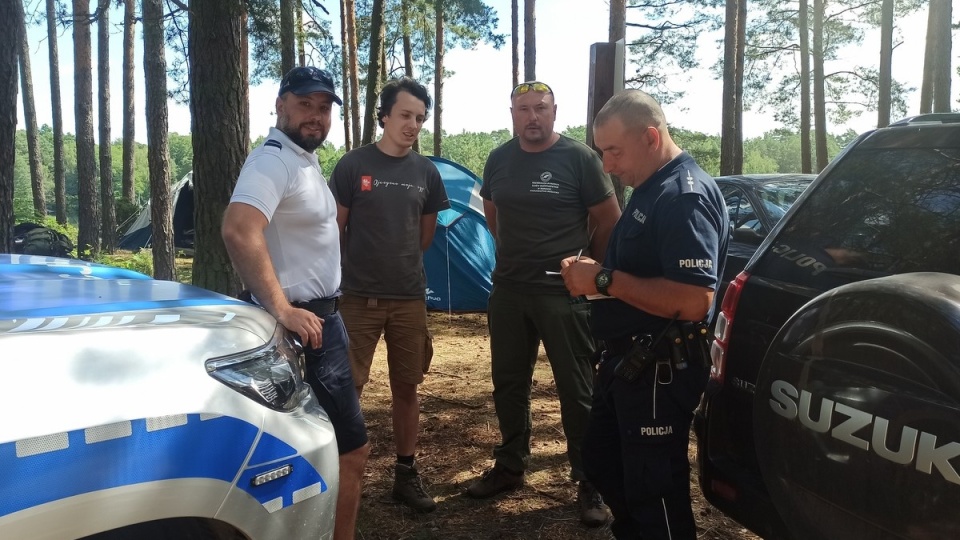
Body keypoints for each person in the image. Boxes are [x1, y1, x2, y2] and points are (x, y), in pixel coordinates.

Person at [560, 89, 729, 540]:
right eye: (601, 153)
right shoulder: (650, 187)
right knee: (602, 459)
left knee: (654, 487)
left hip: (660, 369)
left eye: (613, 151)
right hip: (627, 364)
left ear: (651, 137)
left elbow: (695, 300)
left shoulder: (682, 197)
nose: (608, 165)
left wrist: (601, 281)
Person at [221, 66, 369, 540]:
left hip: (323, 320)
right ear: (281, 103)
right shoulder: (273, 161)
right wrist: (283, 308)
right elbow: (239, 228)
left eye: (325, 108)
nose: (317, 116)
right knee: (351, 449)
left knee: (314, 445)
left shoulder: (302, 160)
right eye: (306, 104)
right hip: (303, 327)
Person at [465, 80, 622, 527]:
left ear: (555, 112)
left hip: (563, 294)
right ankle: (511, 464)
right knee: (509, 383)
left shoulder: (579, 158)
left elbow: (608, 220)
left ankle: (590, 479)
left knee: (577, 390)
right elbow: (492, 214)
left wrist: (589, 266)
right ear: (511, 113)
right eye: (523, 109)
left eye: (541, 108)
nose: (532, 117)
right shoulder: (499, 158)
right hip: (510, 291)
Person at [328, 76, 449, 513]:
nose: (413, 124)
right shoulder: (352, 165)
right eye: (405, 115)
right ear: (383, 116)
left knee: (407, 387)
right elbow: (333, 231)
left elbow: (424, 236)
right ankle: (337, 474)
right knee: (348, 388)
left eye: (419, 118)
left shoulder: (427, 173)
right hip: (357, 300)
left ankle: (406, 473)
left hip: (409, 300)